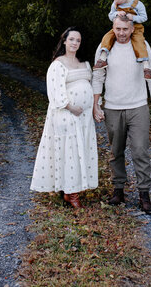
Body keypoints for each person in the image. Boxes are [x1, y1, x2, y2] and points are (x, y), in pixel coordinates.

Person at [92, 16, 151, 215]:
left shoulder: (141, 45)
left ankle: (144, 194)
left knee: (140, 150)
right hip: (113, 107)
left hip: (138, 106)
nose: (121, 33)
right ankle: (118, 190)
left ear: (133, 29)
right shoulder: (105, 47)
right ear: (112, 28)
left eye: (125, 29)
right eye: (117, 29)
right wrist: (96, 104)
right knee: (116, 151)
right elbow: (98, 76)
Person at [30, 27, 99, 208]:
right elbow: (55, 92)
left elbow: (91, 85)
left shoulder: (84, 63)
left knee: (80, 151)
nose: (75, 43)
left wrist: (93, 107)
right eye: (72, 39)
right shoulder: (57, 64)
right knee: (69, 152)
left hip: (84, 118)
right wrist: (70, 107)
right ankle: (70, 193)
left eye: (78, 40)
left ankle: (74, 188)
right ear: (65, 41)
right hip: (66, 114)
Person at [93, 0, 151, 80]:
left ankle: (146, 67)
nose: (116, 1)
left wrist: (132, 17)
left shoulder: (137, 4)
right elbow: (110, 16)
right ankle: (102, 59)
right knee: (107, 37)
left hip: (136, 28)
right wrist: (116, 14)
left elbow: (144, 17)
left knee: (139, 42)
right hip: (120, 28)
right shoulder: (115, 4)